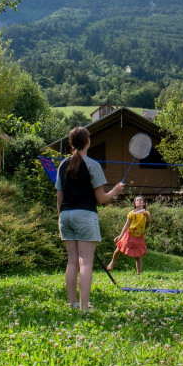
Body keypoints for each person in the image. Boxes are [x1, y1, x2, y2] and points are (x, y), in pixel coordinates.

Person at [55, 126, 124, 311]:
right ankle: (84, 308)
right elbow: (101, 199)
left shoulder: (63, 165)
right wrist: (115, 191)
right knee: (85, 262)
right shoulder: (93, 165)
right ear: (88, 142)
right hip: (85, 215)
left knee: (71, 261)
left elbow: (59, 197)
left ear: (71, 143)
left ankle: (72, 304)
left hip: (65, 216)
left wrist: (61, 217)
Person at [107, 195, 150, 274]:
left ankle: (139, 274)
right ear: (134, 203)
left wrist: (146, 215)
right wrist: (120, 236)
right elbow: (126, 225)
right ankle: (112, 262)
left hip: (138, 237)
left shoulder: (146, 213)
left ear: (144, 203)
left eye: (140, 200)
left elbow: (148, 221)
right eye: (137, 200)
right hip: (129, 235)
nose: (139, 201)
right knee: (118, 249)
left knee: (138, 256)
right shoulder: (131, 213)